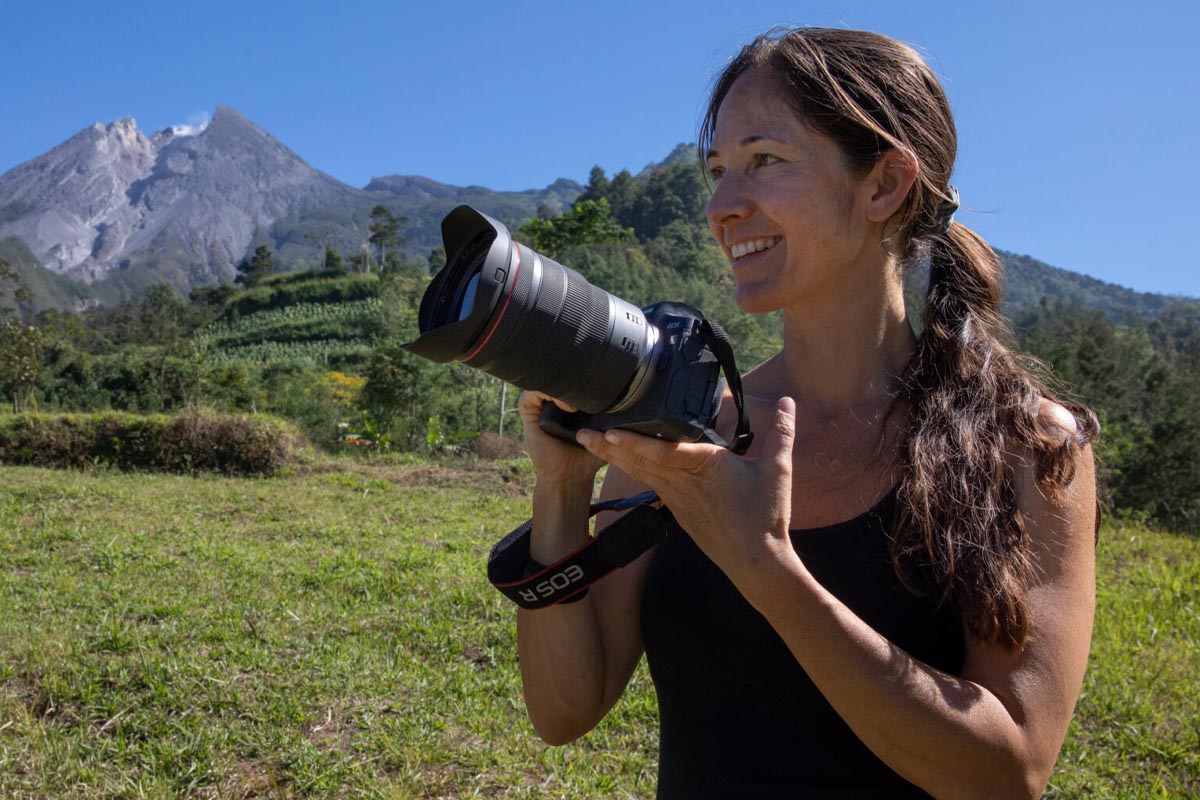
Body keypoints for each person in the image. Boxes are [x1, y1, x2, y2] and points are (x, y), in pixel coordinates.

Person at [514, 27, 1099, 799]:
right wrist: (559, 493)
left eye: (765, 161)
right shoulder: (684, 433)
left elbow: (1010, 769)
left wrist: (767, 569)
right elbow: (565, 712)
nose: (723, 207)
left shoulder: (1025, 447)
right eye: (718, 171)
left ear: (884, 184)